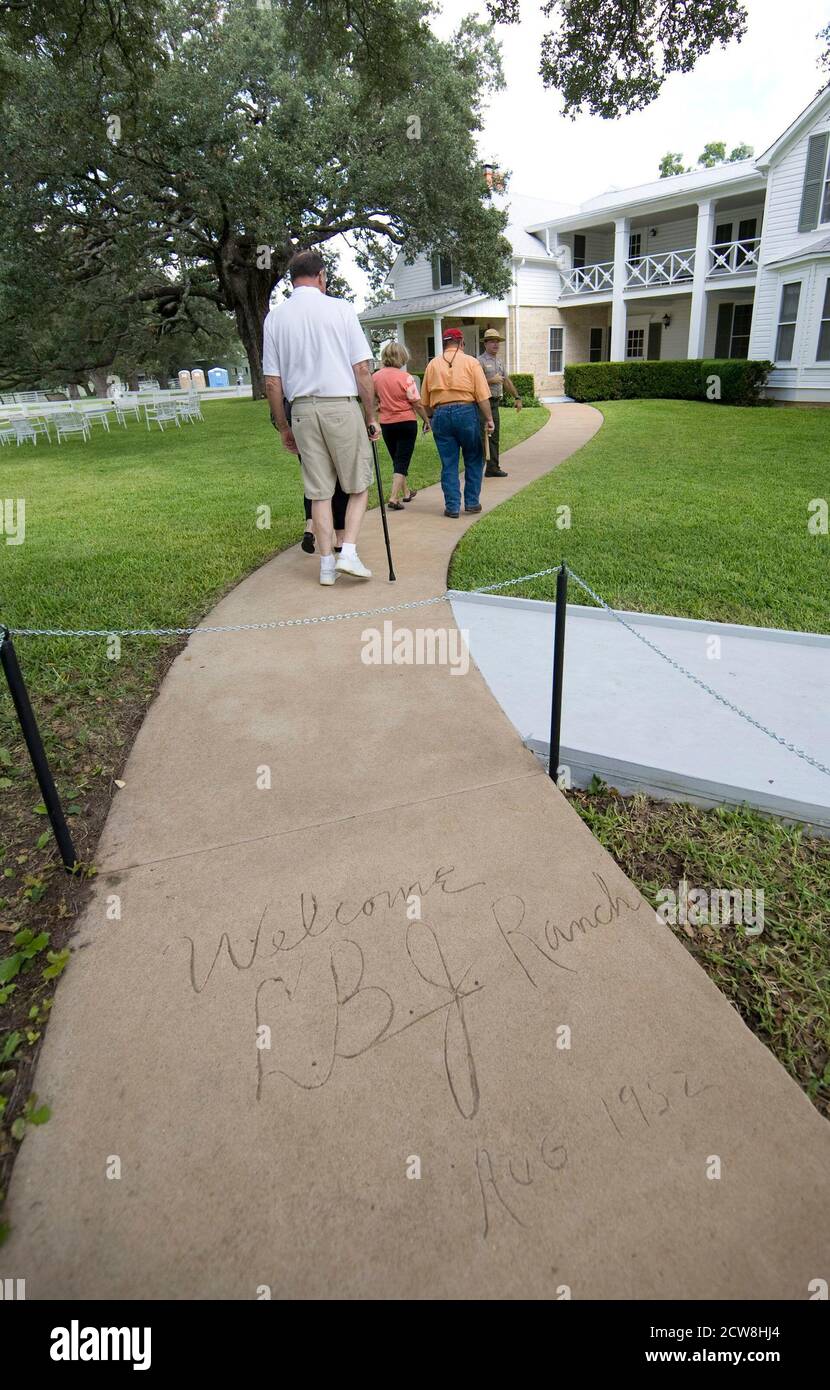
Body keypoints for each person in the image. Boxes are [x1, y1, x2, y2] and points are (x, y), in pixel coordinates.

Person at [263, 248, 380, 586]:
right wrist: (370, 415)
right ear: (321, 276)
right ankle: (349, 553)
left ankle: (327, 564)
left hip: (300, 409)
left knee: (319, 493)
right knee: (358, 486)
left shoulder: (275, 317)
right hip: (340, 406)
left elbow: (272, 382)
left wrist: (283, 426)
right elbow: (362, 368)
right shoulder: (340, 308)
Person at [420, 328, 494, 518]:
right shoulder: (471, 362)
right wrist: (489, 419)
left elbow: (425, 402)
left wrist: (428, 419)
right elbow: (483, 396)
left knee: (449, 463)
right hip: (467, 411)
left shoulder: (432, 365)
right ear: (461, 343)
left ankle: (452, 507)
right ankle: (471, 502)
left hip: (441, 414)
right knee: (474, 458)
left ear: (445, 343)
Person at [372, 341, 431, 509]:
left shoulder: (375, 377)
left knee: (397, 460)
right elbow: (417, 404)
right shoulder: (406, 377)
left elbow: (373, 400)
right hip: (406, 423)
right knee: (402, 461)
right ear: (402, 357)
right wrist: (427, 420)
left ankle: (406, 493)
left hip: (387, 424)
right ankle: (393, 498)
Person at [478, 327, 522, 478]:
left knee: (494, 436)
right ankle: (479, 468)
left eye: (497, 341)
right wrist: (491, 380)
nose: (495, 344)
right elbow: (475, 383)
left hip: (495, 404)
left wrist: (517, 397)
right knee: (483, 437)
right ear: (485, 344)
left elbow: (506, 381)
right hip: (483, 404)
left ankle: (493, 468)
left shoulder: (499, 362)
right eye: (492, 342)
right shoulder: (480, 361)